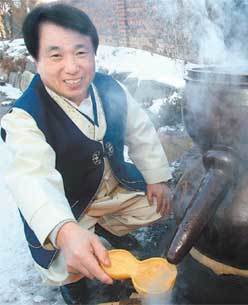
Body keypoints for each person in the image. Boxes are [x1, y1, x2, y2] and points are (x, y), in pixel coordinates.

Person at [0, 3, 172, 304]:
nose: (72, 67)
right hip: (68, 208)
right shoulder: (25, 117)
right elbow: (31, 178)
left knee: (160, 208)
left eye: (81, 52)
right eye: (56, 55)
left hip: (114, 190)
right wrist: (65, 231)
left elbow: (140, 130)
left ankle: (112, 229)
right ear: (37, 59)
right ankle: (76, 282)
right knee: (67, 261)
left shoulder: (110, 88)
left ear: (93, 53)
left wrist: (157, 177)